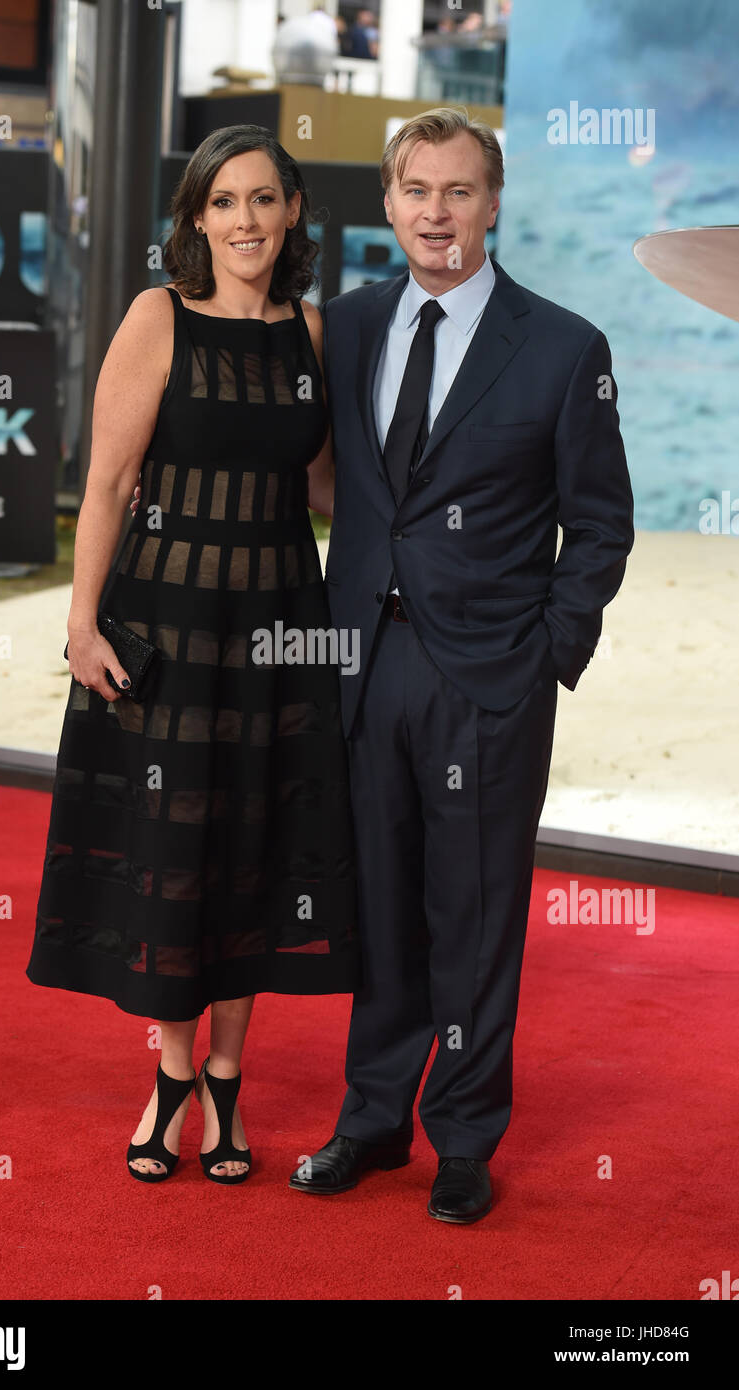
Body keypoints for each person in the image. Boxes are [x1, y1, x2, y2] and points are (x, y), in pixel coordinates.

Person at [288, 107, 634, 1221]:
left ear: (492, 204)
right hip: (364, 662)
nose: (435, 213)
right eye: (415, 190)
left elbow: (601, 525)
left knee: (475, 914)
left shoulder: (563, 346)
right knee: (380, 906)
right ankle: (372, 1120)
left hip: (489, 674)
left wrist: (546, 655)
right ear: (387, 202)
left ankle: (467, 1136)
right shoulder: (341, 328)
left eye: (457, 192)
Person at [26, 124, 359, 1186]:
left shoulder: (314, 332)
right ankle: (170, 1074)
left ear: (294, 211)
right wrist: (82, 624)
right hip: (165, 620)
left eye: (264, 199)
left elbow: (322, 492)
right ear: (197, 218)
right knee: (175, 843)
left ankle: (226, 1075)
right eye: (224, 203)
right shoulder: (156, 318)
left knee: (251, 842)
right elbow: (110, 485)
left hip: (277, 622)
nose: (246, 221)